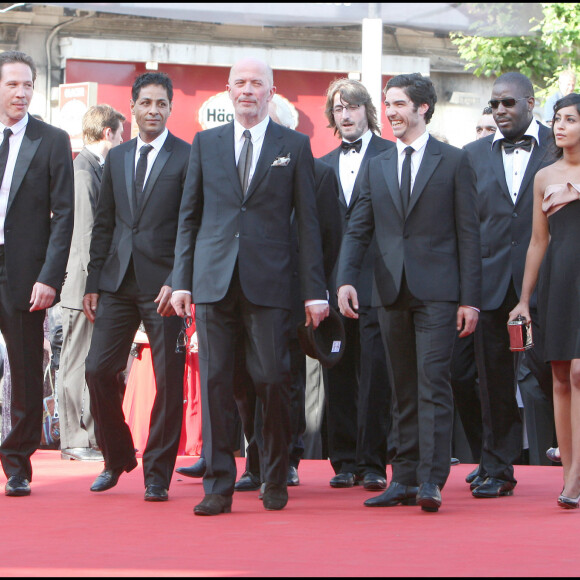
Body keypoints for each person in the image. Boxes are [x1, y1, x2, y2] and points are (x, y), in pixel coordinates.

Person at [171, 57, 328, 516]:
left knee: (273, 381)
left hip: (272, 283)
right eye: (239, 83)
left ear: (271, 92)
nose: (247, 90)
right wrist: (181, 280)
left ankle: (275, 473)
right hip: (214, 282)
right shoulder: (206, 143)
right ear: (227, 91)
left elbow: (309, 226)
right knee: (217, 383)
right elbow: (189, 217)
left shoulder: (295, 146)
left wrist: (313, 290)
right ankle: (218, 485)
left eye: (256, 83)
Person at [337, 72, 481, 513]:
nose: (391, 112)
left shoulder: (453, 161)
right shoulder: (377, 163)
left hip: (439, 292)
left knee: (432, 382)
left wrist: (470, 299)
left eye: (399, 104)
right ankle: (403, 477)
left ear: (422, 108)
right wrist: (345, 277)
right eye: (388, 104)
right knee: (399, 387)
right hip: (387, 289)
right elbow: (359, 225)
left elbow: (468, 235)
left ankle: (431, 481)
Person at [83, 72, 190, 502]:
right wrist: (93, 280)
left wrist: (179, 279)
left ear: (169, 108)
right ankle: (117, 455)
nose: (153, 110)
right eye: (146, 103)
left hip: (163, 288)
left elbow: (190, 225)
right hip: (116, 283)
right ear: (133, 107)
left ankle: (157, 474)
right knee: (96, 370)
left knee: (169, 381)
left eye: (161, 103)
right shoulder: (119, 156)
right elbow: (104, 221)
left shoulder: (187, 156)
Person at [464, 72, 556, 498]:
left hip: (553, 281)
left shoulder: (562, 146)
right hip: (493, 285)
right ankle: (498, 467)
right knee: (493, 380)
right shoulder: (472, 156)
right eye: (494, 104)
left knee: (562, 375)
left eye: (508, 103)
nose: (500, 111)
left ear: (531, 102)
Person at [0, 51, 74, 496]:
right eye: (12, 84)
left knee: (27, 369)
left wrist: (50, 277)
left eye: (27, 84)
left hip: (25, 273)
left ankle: (17, 462)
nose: (21, 92)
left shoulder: (50, 140)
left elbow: (64, 215)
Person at [319, 78, 395, 491]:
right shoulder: (322, 164)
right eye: (338, 109)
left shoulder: (390, 154)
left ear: (368, 110)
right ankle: (343, 460)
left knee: (378, 372)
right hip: (334, 283)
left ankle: (373, 462)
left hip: (382, 281)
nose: (345, 115)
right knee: (338, 371)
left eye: (352, 107)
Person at [509, 92, 580, 509]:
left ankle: (574, 477)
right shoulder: (544, 176)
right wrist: (523, 299)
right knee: (558, 375)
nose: (560, 126)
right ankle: (569, 472)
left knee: (577, 374)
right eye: (557, 119)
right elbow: (538, 241)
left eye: (570, 119)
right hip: (557, 281)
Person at [58, 104, 125, 462]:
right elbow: (84, 236)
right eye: (121, 133)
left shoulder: (94, 170)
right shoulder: (83, 172)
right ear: (107, 133)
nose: (124, 140)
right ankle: (74, 440)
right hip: (82, 287)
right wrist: (91, 288)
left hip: (92, 286)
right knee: (74, 362)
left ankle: (89, 436)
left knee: (91, 362)